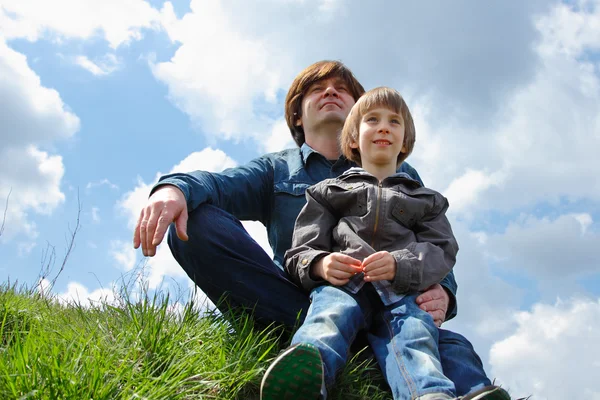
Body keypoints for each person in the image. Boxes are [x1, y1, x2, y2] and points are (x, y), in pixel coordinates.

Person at [133, 60, 508, 399]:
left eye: (342, 89)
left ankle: (440, 382)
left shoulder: (401, 175)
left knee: (451, 343)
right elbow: (217, 184)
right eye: (317, 89)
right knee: (196, 222)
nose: (331, 92)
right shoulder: (277, 169)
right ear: (298, 115)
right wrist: (174, 187)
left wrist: (444, 291)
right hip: (304, 302)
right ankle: (311, 353)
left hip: (390, 305)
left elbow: (432, 241)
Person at [262, 86, 461, 399]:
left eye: (394, 122)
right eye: (372, 120)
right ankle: (305, 379)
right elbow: (302, 246)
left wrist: (401, 264)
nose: (383, 127)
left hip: (399, 292)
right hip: (345, 286)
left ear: (405, 141)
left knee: (414, 335)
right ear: (352, 138)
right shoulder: (329, 192)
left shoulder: (426, 200)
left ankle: (429, 393)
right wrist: (320, 264)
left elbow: (441, 249)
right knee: (329, 316)